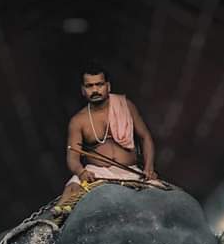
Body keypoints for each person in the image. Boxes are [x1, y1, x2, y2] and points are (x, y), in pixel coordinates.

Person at [54, 64, 160, 213]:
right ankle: (48, 229)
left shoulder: (126, 106)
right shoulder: (78, 121)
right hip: (97, 174)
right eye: (89, 86)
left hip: (132, 171)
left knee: (160, 200)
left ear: (108, 86)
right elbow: (72, 157)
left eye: (99, 84)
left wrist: (149, 168)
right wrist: (81, 172)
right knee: (69, 195)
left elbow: (145, 137)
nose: (95, 90)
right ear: (83, 90)